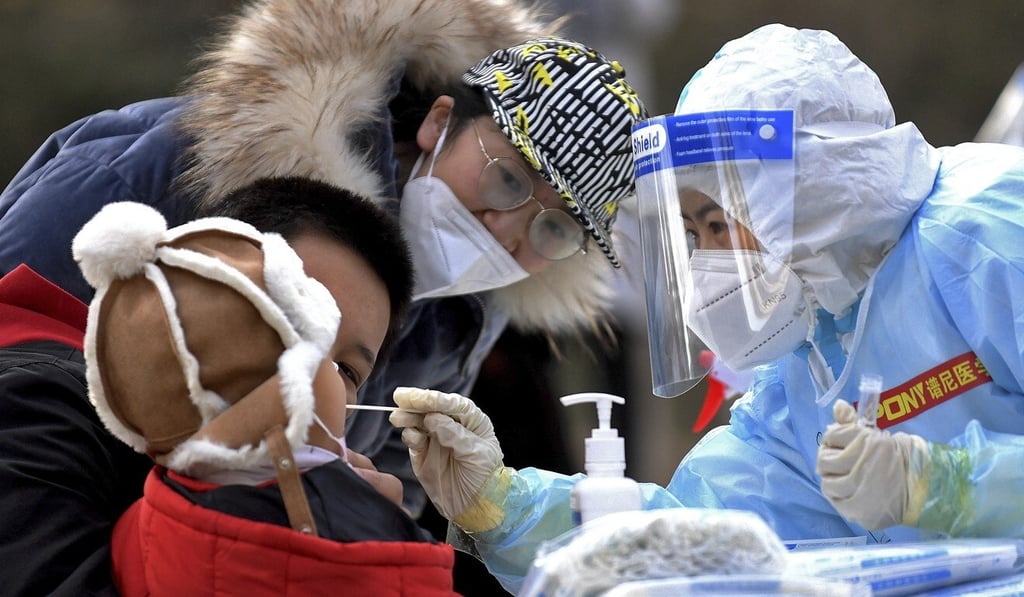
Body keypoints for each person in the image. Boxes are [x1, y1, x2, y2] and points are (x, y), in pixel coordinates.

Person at [387, 23, 1024, 594]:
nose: (710, 259)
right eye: (693, 233)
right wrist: (504, 504)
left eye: (719, 222)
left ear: (810, 189)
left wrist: (947, 485)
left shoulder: (990, 231)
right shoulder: (809, 361)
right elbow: (705, 536)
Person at [0, 0, 647, 520]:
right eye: (506, 179)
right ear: (439, 121)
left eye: (555, 228)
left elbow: (389, 479)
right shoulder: (177, 164)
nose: (507, 231)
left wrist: (360, 511)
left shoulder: (465, 315)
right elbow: (14, 335)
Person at [75, 178, 461, 596]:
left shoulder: (377, 529)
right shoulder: (51, 421)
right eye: (291, 322)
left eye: (347, 371)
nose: (314, 376)